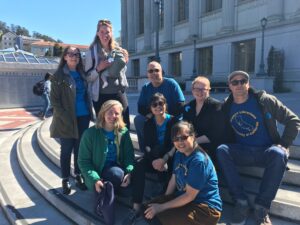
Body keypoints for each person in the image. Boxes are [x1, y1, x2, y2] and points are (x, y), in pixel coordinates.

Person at [216, 70, 300, 225]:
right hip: (242, 151)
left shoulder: (265, 100)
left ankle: (261, 207)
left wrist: (284, 143)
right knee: (222, 150)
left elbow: (293, 120)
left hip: (265, 151)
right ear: (230, 86)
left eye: (243, 81)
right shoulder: (227, 106)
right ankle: (241, 201)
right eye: (235, 82)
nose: (239, 84)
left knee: (278, 153)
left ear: (248, 84)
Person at [143, 121, 222, 225]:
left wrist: (161, 207)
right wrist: (163, 199)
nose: (180, 142)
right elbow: (173, 179)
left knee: (158, 219)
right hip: (185, 201)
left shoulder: (198, 161)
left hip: (206, 209)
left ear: (193, 136)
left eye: (184, 137)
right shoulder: (180, 153)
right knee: (146, 210)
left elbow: (189, 196)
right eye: (176, 139)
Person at [122, 93, 178, 225]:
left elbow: (176, 144)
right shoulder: (148, 123)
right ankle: (136, 206)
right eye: (155, 105)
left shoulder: (174, 122)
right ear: (151, 108)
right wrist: (154, 160)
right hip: (154, 157)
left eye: (161, 104)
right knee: (139, 164)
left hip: (170, 156)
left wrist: (164, 159)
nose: (158, 107)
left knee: (172, 168)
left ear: (165, 105)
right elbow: (146, 145)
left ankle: (162, 206)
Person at [78, 100, 134, 224]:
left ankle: (103, 198)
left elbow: (130, 156)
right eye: (109, 112)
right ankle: (104, 206)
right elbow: (83, 161)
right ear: (103, 113)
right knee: (116, 174)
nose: (113, 116)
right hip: (97, 172)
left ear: (120, 116)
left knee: (129, 189)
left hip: (116, 169)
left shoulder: (123, 132)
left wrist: (129, 172)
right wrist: (95, 179)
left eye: (116, 113)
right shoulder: (90, 133)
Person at [50, 46, 93, 195]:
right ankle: (65, 179)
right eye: (70, 54)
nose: (74, 56)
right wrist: (64, 117)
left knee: (80, 148)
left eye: (77, 54)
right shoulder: (58, 76)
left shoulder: (82, 74)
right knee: (66, 149)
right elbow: (54, 101)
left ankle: (79, 176)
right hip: (66, 119)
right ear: (65, 57)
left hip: (83, 116)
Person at [85, 19, 130, 128]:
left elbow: (122, 72)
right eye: (102, 32)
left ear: (111, 33)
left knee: (124, 126)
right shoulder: (91, 52)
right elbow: (87, 77)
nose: (105, 35)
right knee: (103, 128)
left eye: (107, 32)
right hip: (100, 96)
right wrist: (98, 68)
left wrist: (124, 62)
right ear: (97, 33)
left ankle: (122, 145)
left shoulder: (119, 50)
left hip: (118, 93)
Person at [134, 61, 185, 152]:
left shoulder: (171, 84)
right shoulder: (146, 88)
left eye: (156, 70)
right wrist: (155, 115)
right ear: (147, 75)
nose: (154, 73)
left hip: (172, 117)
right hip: (155, 115)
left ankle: (174, 151)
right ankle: (145, 150)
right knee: (138, 120)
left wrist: (164, 116)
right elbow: (140, 107)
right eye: (150, 71)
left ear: (162, 72)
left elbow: (181, 105)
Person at [182, 76, 224, 163]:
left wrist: (192, 142)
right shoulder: (189, 106)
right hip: (192, 143)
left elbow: (216, 134)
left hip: (210, 145)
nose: (200, 92)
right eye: (197, 89)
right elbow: (185, 126)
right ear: (193, 90)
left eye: (203, 89)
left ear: (208, 90)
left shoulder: (216, 106)